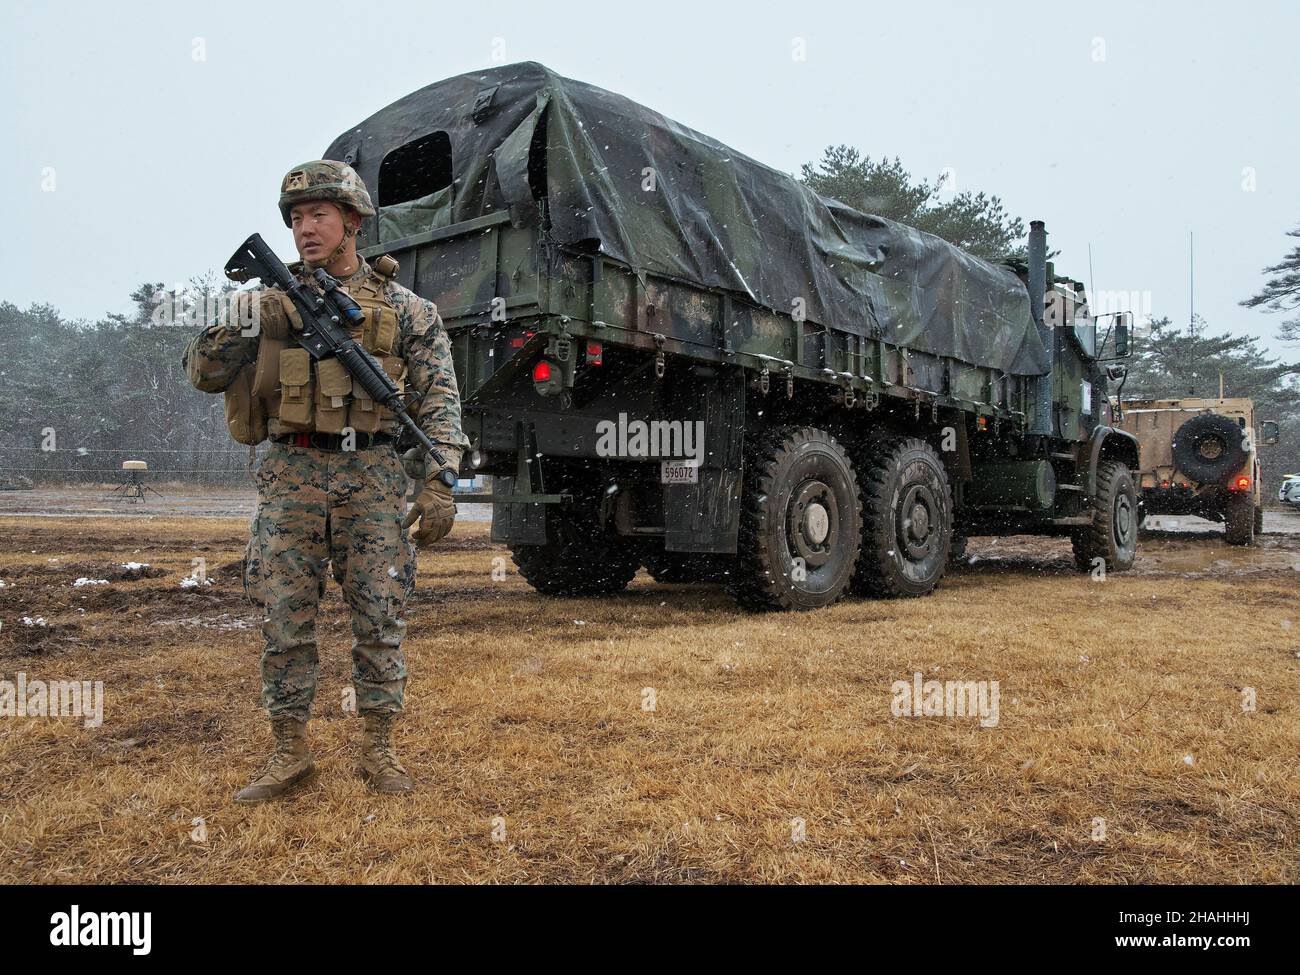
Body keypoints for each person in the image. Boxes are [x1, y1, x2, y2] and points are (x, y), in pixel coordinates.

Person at [182, 160, 468, 802]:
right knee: (284, 621)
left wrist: (439, 481)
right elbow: (200, 371)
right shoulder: (265, 303)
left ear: (353, 223)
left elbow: (438, 402)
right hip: (291, 479)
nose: (304, 229)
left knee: (380, 618)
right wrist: (253, 318)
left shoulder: (407, 310)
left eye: (318, 215)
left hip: (373, 477)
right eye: (295, 218)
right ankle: (289, 753)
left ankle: (379, 750)